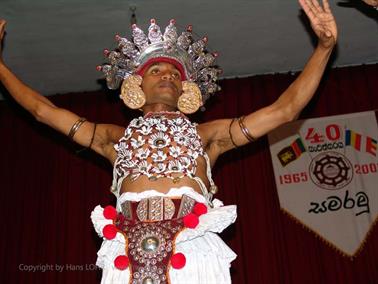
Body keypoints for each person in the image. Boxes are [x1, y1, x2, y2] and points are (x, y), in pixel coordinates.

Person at [0, 0, 337, 283]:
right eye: (157, 70)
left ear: (185, 91)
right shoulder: (112, 139)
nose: (168, 76)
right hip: (126, 258)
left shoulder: (209, 137)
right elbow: (43, 111)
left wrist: (324, 48)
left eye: (175, 74)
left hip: (193, 255)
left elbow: (284, 110)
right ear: (137, 86)